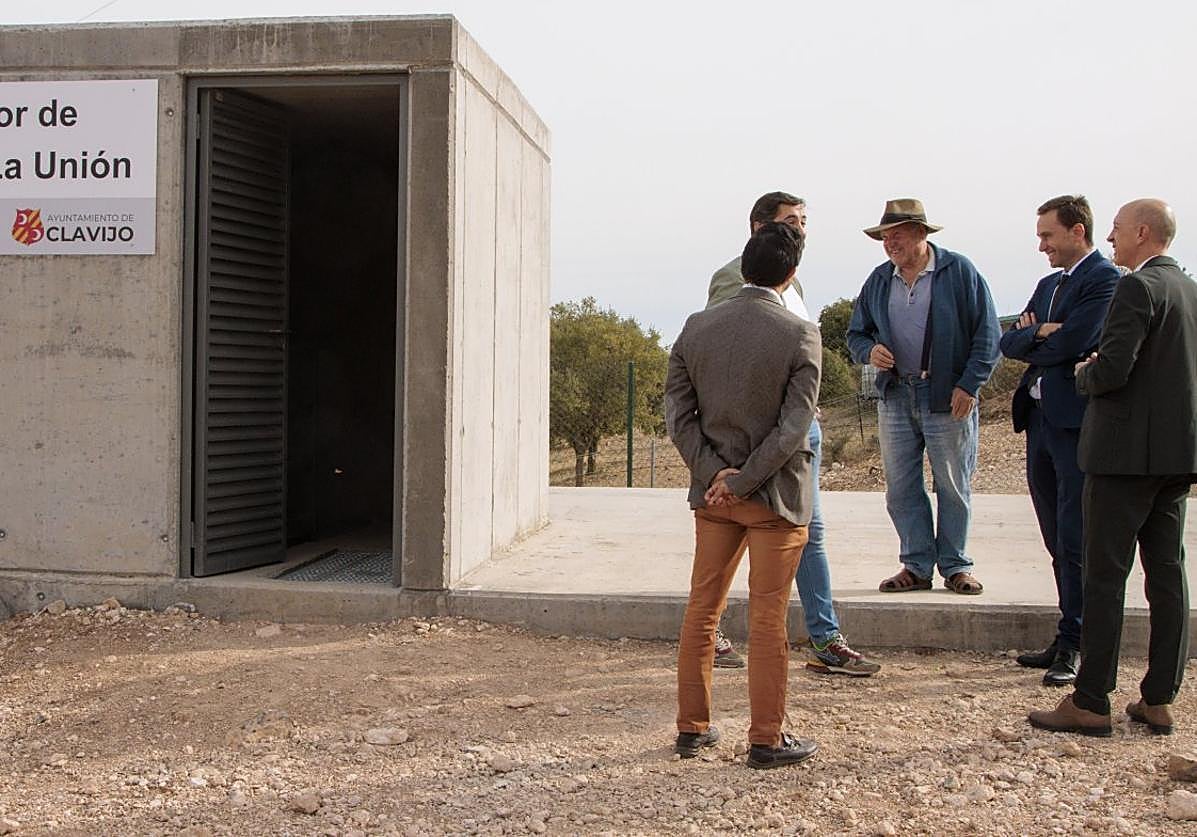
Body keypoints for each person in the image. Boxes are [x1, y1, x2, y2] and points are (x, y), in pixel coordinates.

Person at [1029, 199, 1196, 737]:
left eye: (1119, 230)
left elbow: (1114, 370)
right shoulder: (1189, 289)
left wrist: (1086, 370)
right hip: (1176, 457)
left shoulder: (1136, 288)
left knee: (1104, 576)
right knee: (1167, 575)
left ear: (1143, 233)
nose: (1112, 239)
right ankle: (1159, 697)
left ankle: (1091, 699)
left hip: (1123, 458)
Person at [667, 221, 822, 769]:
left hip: (714, 498)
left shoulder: (697, 326)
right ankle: (765, 738)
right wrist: (745, 479)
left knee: (702, 609)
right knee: (767, 618)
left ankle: (692, 728)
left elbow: (678, 416)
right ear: (792, 274)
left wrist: (717, 475)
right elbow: (793, 427)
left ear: (743, 265)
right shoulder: (800, 334)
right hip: (775, 497)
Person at [707, 191, 880, 676]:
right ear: (759, 227)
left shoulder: (795, 281)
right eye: (791, 220)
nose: (801, 228)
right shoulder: (732, 278)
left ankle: (825, 638)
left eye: (804, 220)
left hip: (801, 432)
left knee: (810, 534)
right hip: (760, 439)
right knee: (737, 533)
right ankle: (710, 630)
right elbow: (729, 354)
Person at [847, 199, 1000, 595]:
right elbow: (855, 334)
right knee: (900, 487)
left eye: (896, 235)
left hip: (947, 395)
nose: (889, 243)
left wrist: (969, 385)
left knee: (952, 483)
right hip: (896, 394)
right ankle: (915, 566)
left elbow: (988, 334)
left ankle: (956, 566)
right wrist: (869, 351)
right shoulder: (879, 279)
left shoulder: (959, 271)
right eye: (885, 237)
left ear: (920, 233)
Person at [1000, 196, 1119, 687]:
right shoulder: (1049, 285)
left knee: (1075, 536)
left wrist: (1042, 338)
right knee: (1054, 536)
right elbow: (1008, 342)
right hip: (1040, 424)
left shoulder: (1104, 279)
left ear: (1077, 231)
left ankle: (1077, 642)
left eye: (1048, 236)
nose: (1041, 246)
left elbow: (1077, 342)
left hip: (1075, 427)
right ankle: (1066, 630)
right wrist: (1040, 335)